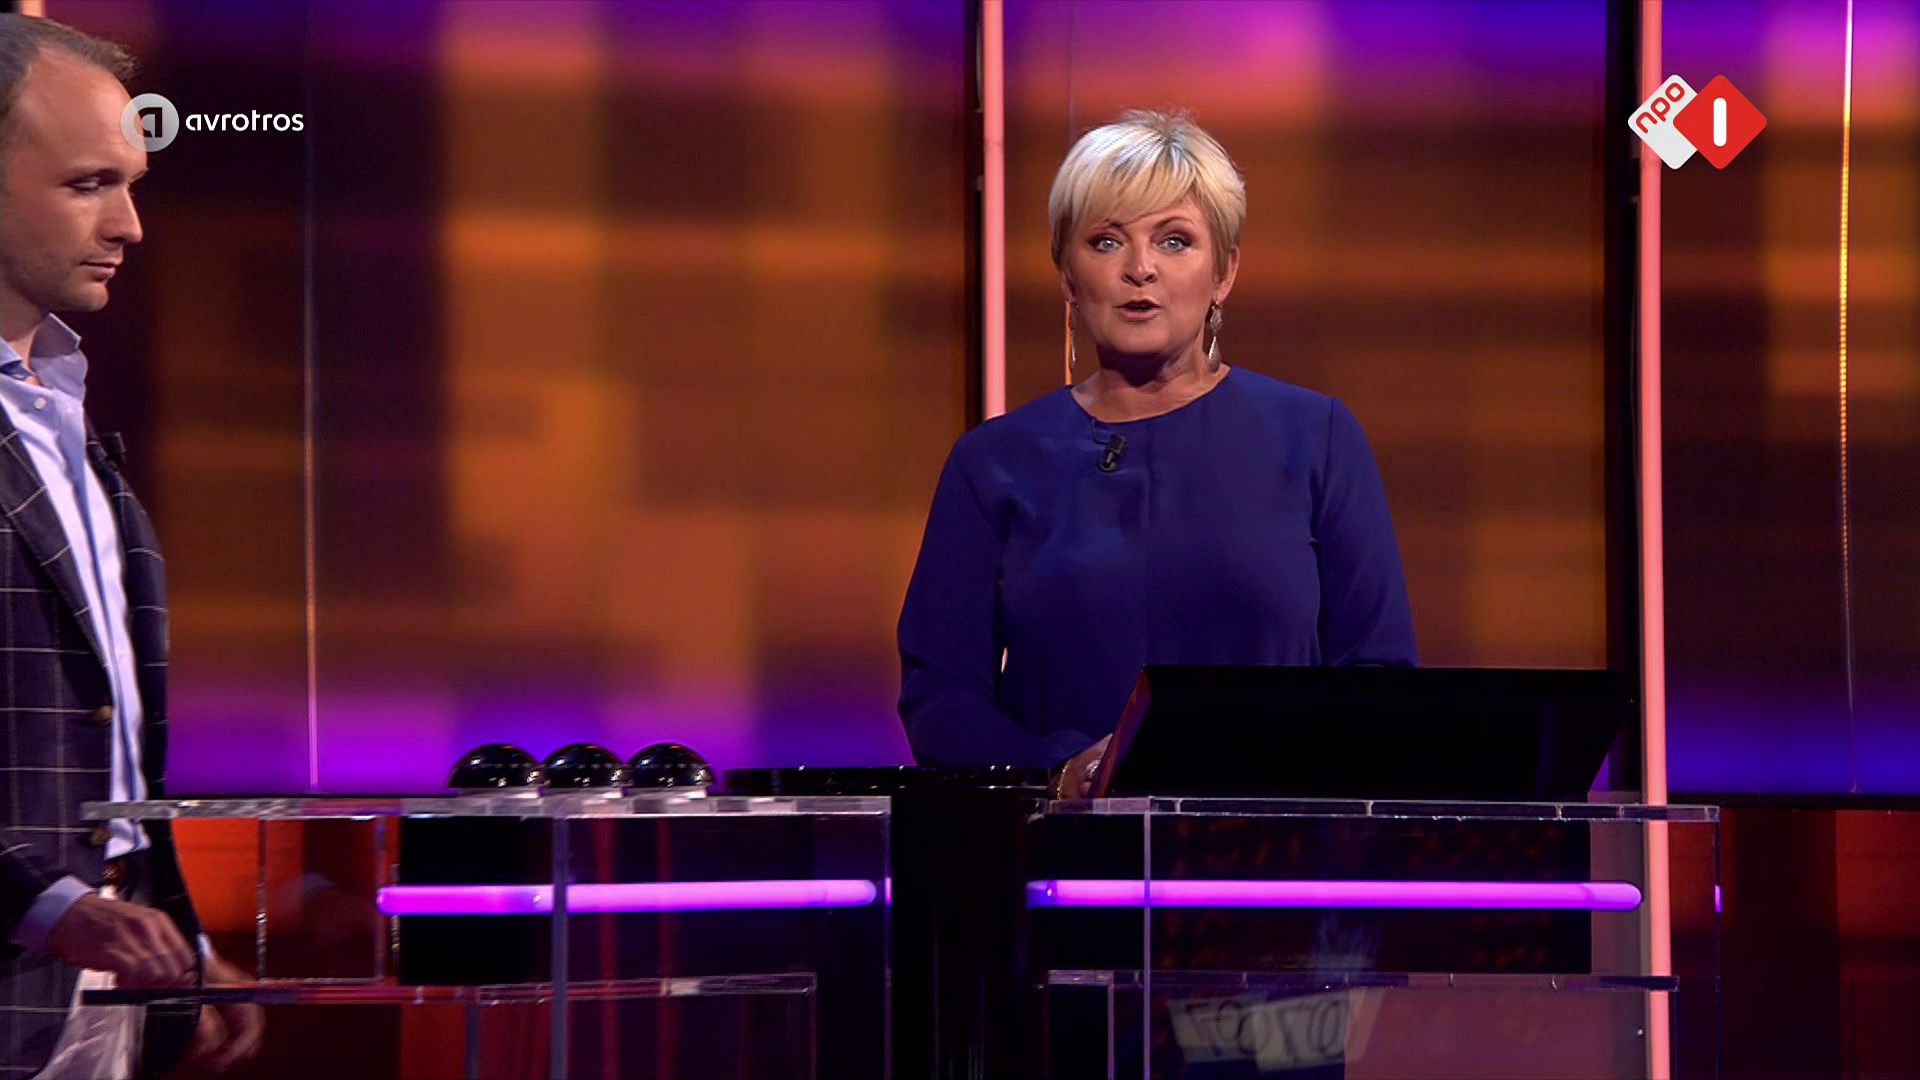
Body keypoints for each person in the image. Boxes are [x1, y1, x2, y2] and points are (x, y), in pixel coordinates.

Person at [898, 110, 1416, 797]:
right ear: (1066, 274)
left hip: (1269, 843)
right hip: (1065, 845)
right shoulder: (992, 463)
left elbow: (1378, 676)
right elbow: (940, 697)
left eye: (1175, 241)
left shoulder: (1316, 436)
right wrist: (1063, 772)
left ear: (1224, 272)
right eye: (1106, 241)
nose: (1139, 269)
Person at [0, 15, 261, 1078]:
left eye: (132, 183)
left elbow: (101, 738)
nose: (131, 225)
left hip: (92, 999)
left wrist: (162, 924)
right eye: (88, 184)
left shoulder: (59, 415)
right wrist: (48, 906)